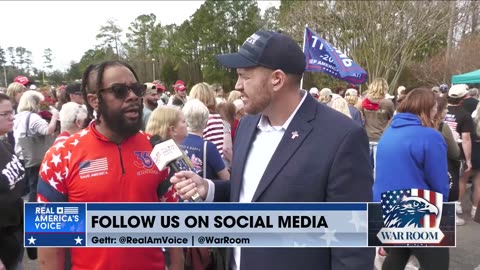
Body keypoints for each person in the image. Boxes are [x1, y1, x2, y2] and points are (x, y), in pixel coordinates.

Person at [171, 30, 374, 270]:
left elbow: (353, 247)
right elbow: (252, 193)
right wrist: (208, 188)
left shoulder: (342, 137)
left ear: (276, 79)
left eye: (244, 76)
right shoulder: (247, 124)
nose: (237, 86)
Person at [36, 60, 184, 270]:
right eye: (120, 91)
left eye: (136, 89)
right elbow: (50, 242)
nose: (133, 96)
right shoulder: (62, 156)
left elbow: (174, 222)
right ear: (94, 100)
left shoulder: (156, 147)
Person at [373, 88, 449, 270]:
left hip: (387, 206)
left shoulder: (389, 131)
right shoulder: (430, 136)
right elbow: (440, 184)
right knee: (437, 264)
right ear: (427, 108)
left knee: (398, 254)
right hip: (419, 208)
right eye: (435, 108)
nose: (436, 112)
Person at [0, 93, 26, 270]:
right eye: (5, 114)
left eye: (12, 111)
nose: (12, 117)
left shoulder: (5, 144)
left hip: (15, 234)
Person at [444, 84, 473, 225]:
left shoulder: (439, 109)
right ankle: (452, 212)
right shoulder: (465, 115)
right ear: (463, 98)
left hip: (437, 149)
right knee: (455, 181)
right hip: (455, 152)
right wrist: (468, 160)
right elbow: (466, 139)